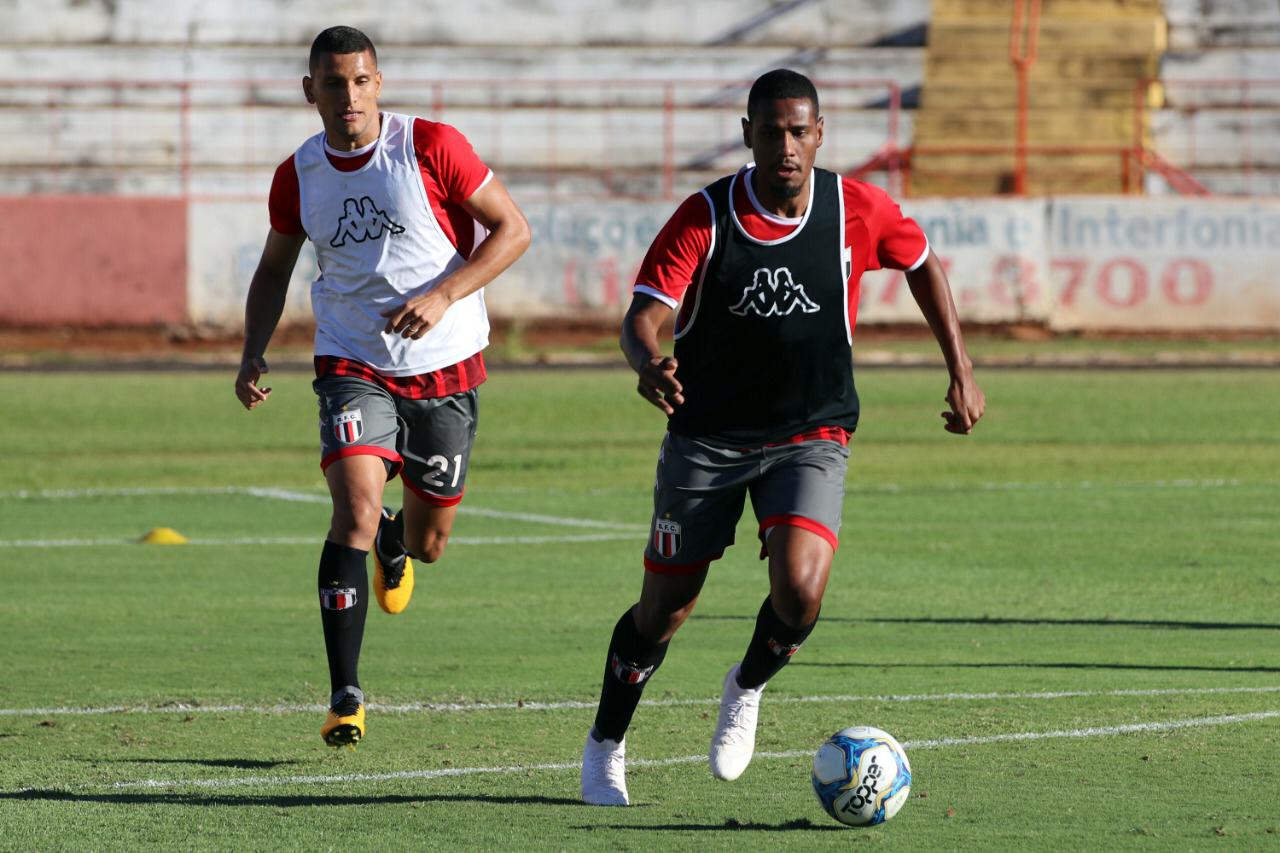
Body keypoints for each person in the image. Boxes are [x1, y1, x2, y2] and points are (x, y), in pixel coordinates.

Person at [579, 69, 985, 805]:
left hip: (811, 432)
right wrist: (647, 362)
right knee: (663, 612)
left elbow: (922, 262)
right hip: (707, 438)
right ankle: (607, 741)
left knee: (800, 591)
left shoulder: (853, 207)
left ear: (820, 134)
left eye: (800, 131)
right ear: (748, 135)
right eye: (771, 132)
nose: (786, 146)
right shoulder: (705, 217)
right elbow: (642, 316)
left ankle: (745, 686)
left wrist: (961, 368)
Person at [233, 26, 530, 748]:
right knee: (353, 512)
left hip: (447, 365)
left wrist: (445, 295)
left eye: (360, 81)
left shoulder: (431, 146)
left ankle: (398, 542)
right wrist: (252, 350)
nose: (349, 97)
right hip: (352, 361)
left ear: (379, 82)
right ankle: (346, 693)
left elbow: (513, 230)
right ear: (311, 91)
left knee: (429, 545)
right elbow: (274, 270)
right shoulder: (297, 174)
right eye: (333, 84)